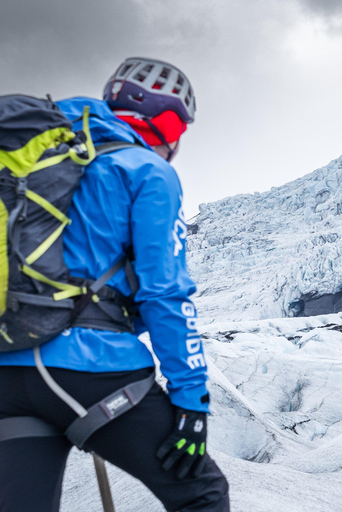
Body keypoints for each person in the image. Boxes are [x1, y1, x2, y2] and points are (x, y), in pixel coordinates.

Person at [0, 57, 229, 511]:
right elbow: (165, 292)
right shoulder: (145, 170)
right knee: (201, 493)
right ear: (162, 124)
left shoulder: (33, 163)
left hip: (9, 371)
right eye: (175, 126)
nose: (174, 142)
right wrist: (191, 399)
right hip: (89, 368)